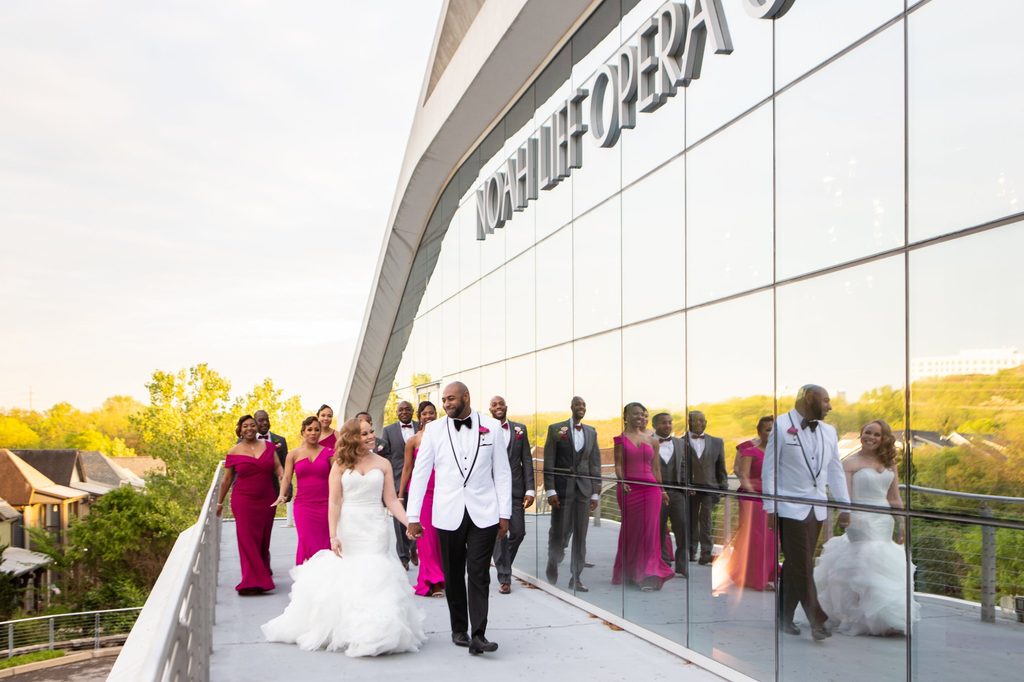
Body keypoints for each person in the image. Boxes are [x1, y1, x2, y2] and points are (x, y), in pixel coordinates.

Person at [261, 418, 426, 657]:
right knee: (353, 574)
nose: (371, 436)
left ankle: (380, 629)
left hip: (375, 526)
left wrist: (409, 522)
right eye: (365, 433)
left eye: (371, 432)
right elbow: (335, 500)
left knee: (377, 573)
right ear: (352, 437)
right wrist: (333, 535)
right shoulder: (339, 464)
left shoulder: (383, 464)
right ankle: (353, 628)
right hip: (349, 525)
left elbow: (390, 500)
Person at [406, 382, 511, 656]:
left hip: (484, 512)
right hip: (447, 512)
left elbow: (502, 472)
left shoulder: (492, 427)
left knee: (478, 573)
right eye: (443, 400)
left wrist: (504, 514)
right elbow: (420, 473)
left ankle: (479, 635)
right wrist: (413, 516)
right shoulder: (434, 430)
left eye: (451, 398)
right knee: (453, 574)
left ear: (466, 396)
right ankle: (458, 629)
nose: (446, 404)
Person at [814, 420, 920, 636]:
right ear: (861, 435)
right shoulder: (850, 463)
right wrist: (848, 516)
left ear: (884, 439)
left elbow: (894, 497)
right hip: (859, 518)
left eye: (877, 434)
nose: (871, 437)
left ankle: (885, 619)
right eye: (867, 433)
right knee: (867, 561)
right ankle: (863, 618)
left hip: (883, 519)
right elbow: (846, 497)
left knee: (883, 564)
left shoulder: (890, 463)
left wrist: (901, 523)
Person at [763, 384, 851, 642]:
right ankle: (817, 618)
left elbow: (835, 470)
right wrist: (770, 507)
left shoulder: (829, 431)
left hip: (818, 508)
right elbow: (769, 471)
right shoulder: (781, 426)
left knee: (795, 565)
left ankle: (784, 618)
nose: (830, 406)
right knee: (802, 563)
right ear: (809, 399)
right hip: (789, 507)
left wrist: (845, 506)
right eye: (825, 400)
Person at [612, 403, 674, 591]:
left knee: (649, 532)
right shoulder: (620, 440)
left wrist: (662, 490)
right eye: (635, 414)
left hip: (651, 490)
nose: (640, 417)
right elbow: (619, 466)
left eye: (642, 414)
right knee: (632, 531)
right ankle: (631, 572)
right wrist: (623, 482)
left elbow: (656, 469)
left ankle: (647, 574)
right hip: (629, 489)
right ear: (626, 416)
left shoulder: (652, 440)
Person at [218, 414, 282, 594]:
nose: (249, 429)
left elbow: (278, 468)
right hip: (243, 500)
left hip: (267, 499)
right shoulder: (233, 451)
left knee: (262, 540)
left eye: (252, 425)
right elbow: (227, 479)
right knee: (247, 540)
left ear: (257, 428)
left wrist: (283, 482)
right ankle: (251, 582)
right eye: (245, 426)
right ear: (239, 429)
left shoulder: (269, 447)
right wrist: (219, 503)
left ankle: (260, 577)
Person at [712, 416, 777, 592]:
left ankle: (763, 575)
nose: (771, 433)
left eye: (773, 430)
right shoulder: (751, 452)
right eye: (767, 429)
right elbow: (744, 477)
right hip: (753, 498)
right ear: (759, 432)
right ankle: (754, 578)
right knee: (755, 537)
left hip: (772, 498)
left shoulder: (777, 454)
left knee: (771, 538)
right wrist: (757, 495)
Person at [543, 396, 601, 592]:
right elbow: (549, 461)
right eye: (578, 404)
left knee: (581, 535)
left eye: (584, 405)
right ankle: (554, 559)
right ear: (571, 407)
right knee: (559, 531)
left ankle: (576, 577)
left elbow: (595, 463)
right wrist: (550, 489)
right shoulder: (556, 429)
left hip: (584, 491)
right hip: (562, 490)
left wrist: (595, 493)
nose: (581, 407)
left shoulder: (591, 432)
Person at [489, 395, 535, 594]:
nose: (498, 407)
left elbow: (527, 460)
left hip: (516, 490)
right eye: (494, 404)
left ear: (506, 407)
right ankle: (504, 577)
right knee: (500, 534)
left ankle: (502, 561)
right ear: (490, 409)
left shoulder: (519, 429)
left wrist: (530, 489)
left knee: (518, 532)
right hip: (492, 491)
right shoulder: (484, 431)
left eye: (501, 404)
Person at [398, 401, 444, 597]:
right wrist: (401, 495)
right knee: (427, 538)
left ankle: (437, 578)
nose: (429, 416)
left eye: (432, 413)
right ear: (419, 416)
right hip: (423, 493)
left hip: (442, 491)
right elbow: (408, 468)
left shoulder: (445, 436)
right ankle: (434, 581)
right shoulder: (413, 440)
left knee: (440, 538)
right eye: (425, 413)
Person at [275, 416, 332, 564]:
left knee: (325, 542)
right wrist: (281, 494)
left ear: (321, 432)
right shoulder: (293, 454)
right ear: (303, 432)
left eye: (317, 430)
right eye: (310, 429)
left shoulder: (330, 453)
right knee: (306, 540)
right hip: (303, 506)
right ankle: (306, 579)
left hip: (326, 505)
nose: (313, 433)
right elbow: (286, 478)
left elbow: (337, 479)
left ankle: (326, 578)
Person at [685, 411, 727, 565]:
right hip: (690, 488)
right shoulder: (680, 442)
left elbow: (721, 466)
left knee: (706, 520)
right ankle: (691, 551)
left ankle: (706, 553)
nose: (702, 423)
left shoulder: (717, 442)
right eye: (698, 420)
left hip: (710, 487)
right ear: (689, 422)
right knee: (691, 520)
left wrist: (723, 487)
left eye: (704, 420)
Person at [382, 400, 419, 569]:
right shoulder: (388, 430)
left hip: (419, 480)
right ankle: (403, 557)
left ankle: (414, 548)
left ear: (412, 411)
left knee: (417, 516)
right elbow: (385, 456)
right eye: (401, 410)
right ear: (397, 412)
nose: (404, 412)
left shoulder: (422, 427)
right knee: (400, 520)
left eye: (407, 409)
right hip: (397, 480)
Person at [653, 412, 688, 577]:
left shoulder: (680, 443)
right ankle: (664, 562)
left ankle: (682, 566)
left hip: (677, 492)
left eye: (669, 422)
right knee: (658, 529)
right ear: (655, 425)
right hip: (656, 492)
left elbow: (684, 466)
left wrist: (684, 486)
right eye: (663, 423)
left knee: (682, 528)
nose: (667, 425)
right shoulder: (649, 441)